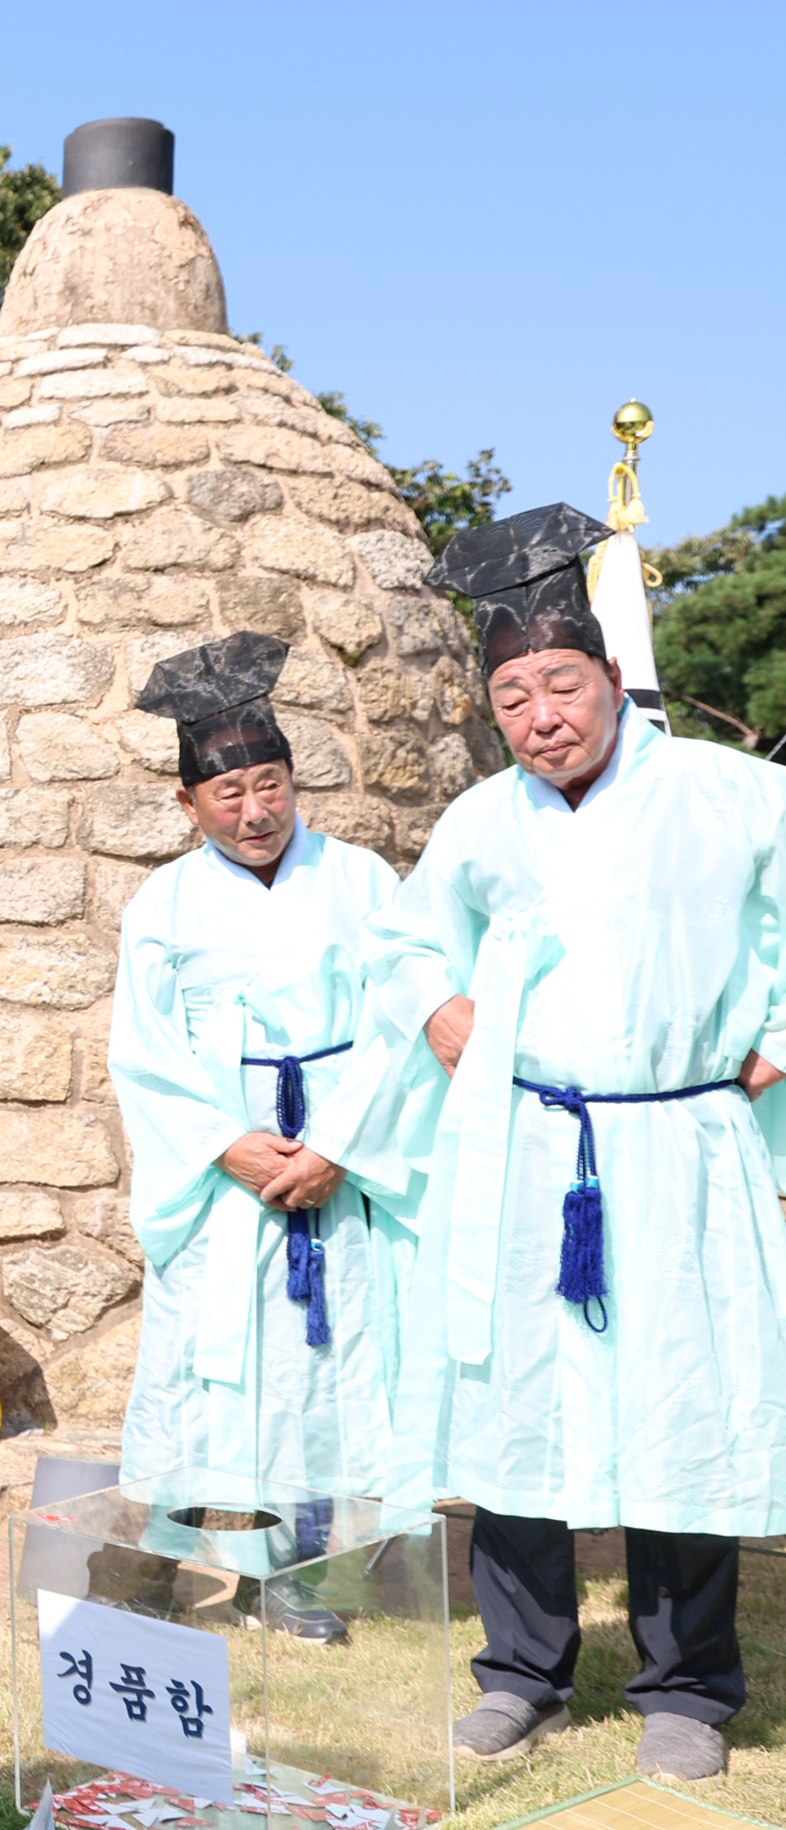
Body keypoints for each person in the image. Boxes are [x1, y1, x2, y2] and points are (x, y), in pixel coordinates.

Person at [370, 503, 786, 1783]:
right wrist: (435, 1003)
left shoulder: (734, 793)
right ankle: (520, 1671)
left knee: (680, 1406)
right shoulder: (483, 821)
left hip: (677, 1146)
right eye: (512, 694)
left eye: (561, 682)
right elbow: (399, 946)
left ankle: (685, 1687)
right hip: (525, 1146)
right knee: (515, 1414)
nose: (541, 713)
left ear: (612, 678)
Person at [107, 634, 419, 1636]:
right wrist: (227, 1146)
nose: (253, 812)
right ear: (188, 804)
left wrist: (338, 1146)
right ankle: (165, 1561)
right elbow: (143, 1052)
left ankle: (302, 1575)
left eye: (270, 784)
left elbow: (399, 1023)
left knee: (320, 1373)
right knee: (201, 1364)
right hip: (219, 1179)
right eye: (228, 792)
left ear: (294, 781)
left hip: (336, 1163)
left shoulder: (364, 881)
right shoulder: (164, 902)